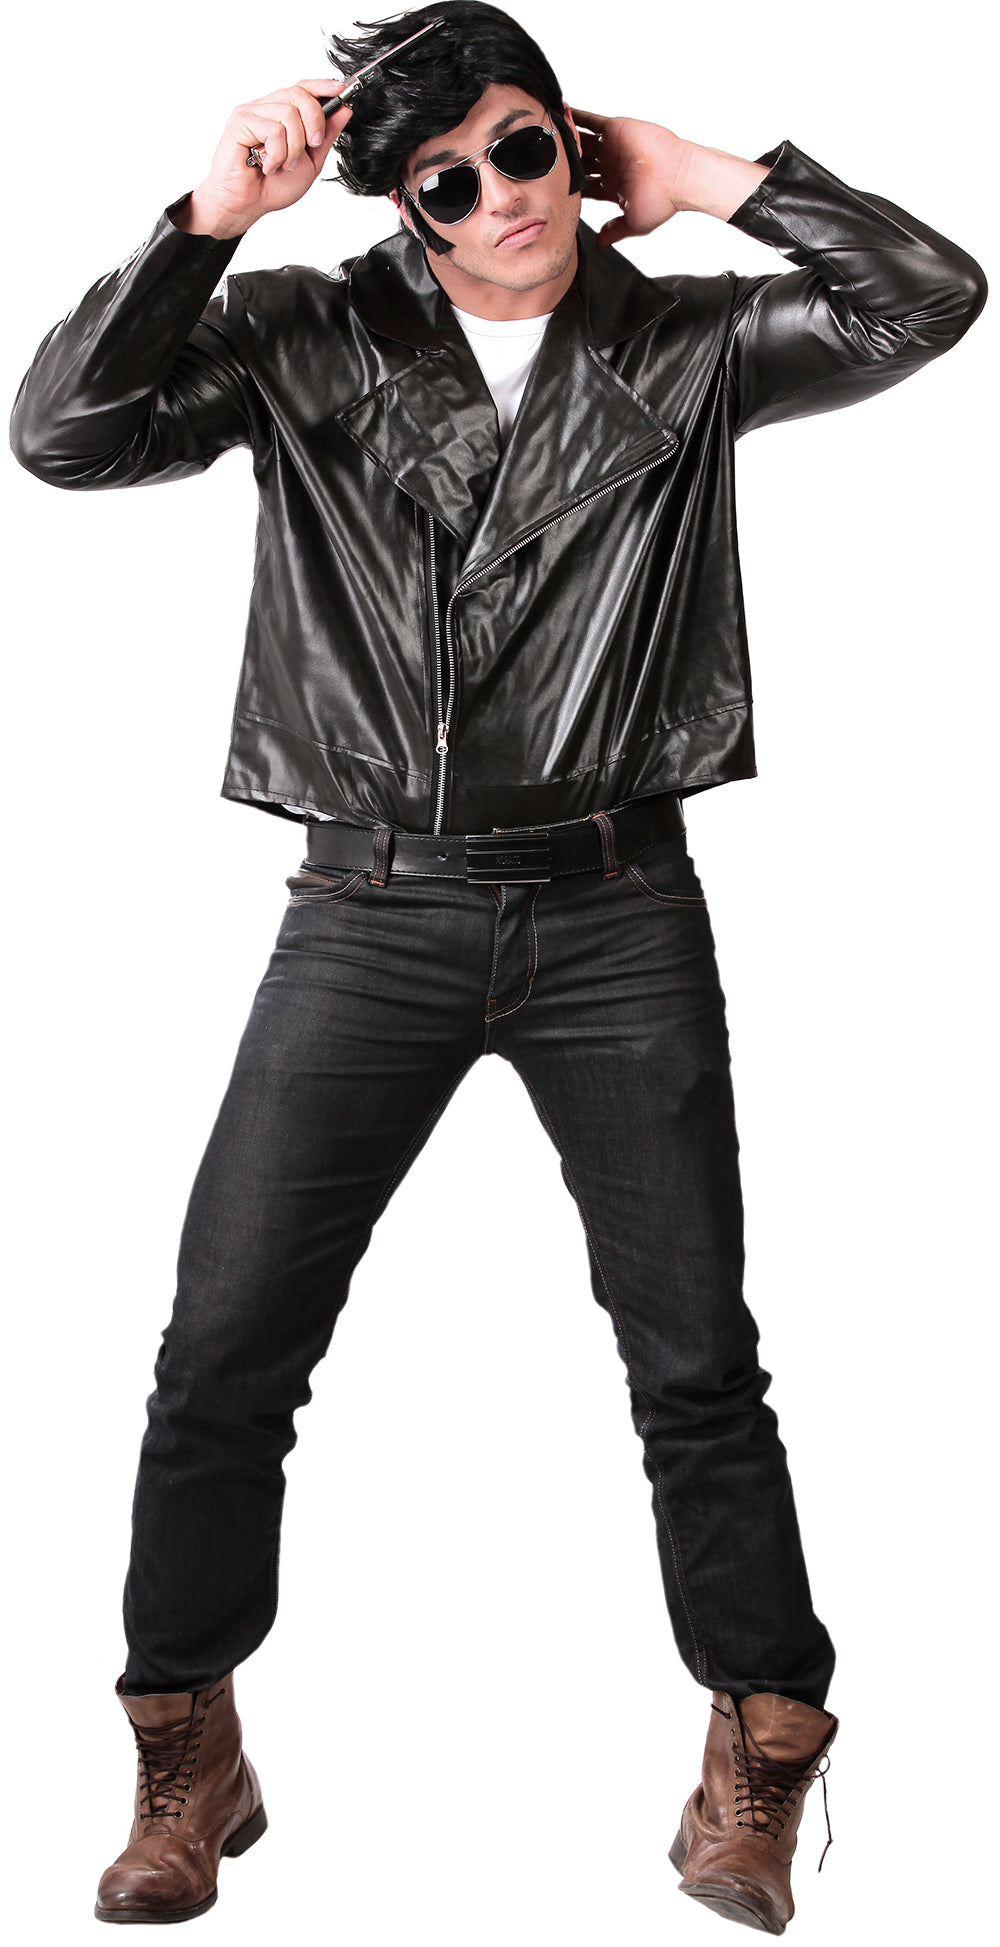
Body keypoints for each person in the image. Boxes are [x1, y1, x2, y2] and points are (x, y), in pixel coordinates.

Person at [9, 1, 987, 1932]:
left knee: (696, 1360)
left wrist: (711, 176)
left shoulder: (684, 346)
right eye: (446, 179)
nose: (497, 197)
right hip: (365, 911)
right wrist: (206, 222)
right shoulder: (300, 335)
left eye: (523, 147)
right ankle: (184, 1739)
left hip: (619, 910)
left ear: (568, 142)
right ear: (400, 204)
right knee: (224, 1352)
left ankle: (762, 1744)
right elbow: (66, 437)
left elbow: (927, 298)